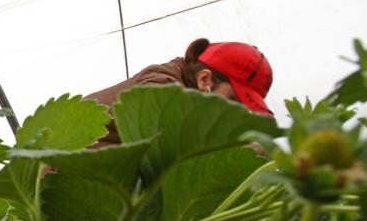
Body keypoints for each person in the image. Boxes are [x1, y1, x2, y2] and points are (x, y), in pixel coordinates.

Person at [85, 38, 273, 145]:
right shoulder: (161, 80)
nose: (236, 112)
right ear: (204, 79)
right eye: (234, 101)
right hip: (61, 172)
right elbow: (165, 122)